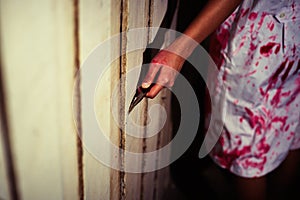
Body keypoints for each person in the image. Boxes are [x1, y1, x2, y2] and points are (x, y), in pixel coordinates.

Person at [141, 0, 300, 199]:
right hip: (293, 23)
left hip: (261, 40)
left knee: (246, 147)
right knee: (288, 120)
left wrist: (179, 50)